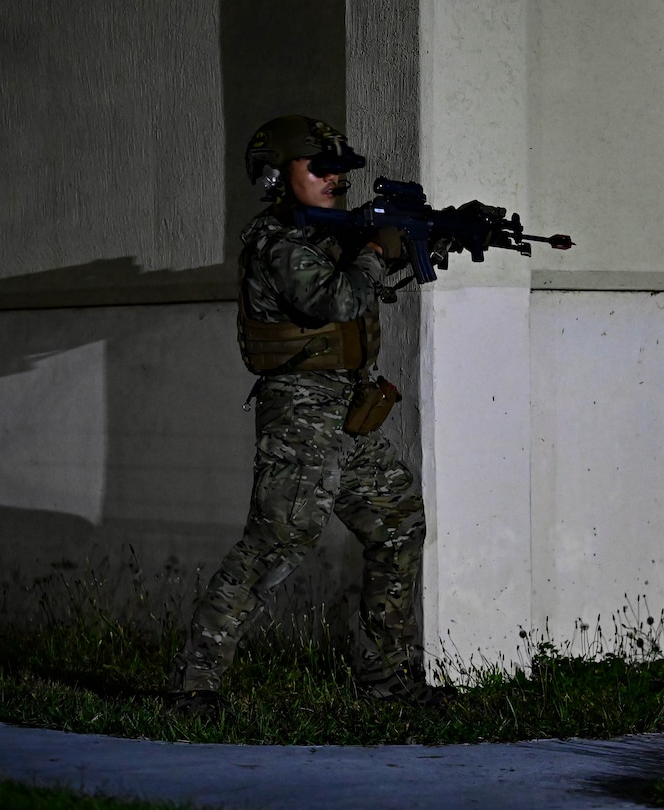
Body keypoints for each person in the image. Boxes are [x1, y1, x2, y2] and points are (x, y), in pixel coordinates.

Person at [165, 114, 451, 715]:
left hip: (349, 409)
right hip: (301, 414)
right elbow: (335, 298)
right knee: (276, 540)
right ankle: (195, 683)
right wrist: (378, 248)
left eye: (340, 172)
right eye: (318, 169)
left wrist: (432, 238)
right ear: (275, 175)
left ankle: (386, 678)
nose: (333, 181)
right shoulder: (277, 243)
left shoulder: (328, 238)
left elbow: (370, 282)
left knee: (398, 520)